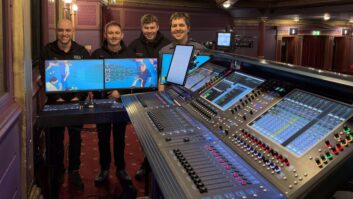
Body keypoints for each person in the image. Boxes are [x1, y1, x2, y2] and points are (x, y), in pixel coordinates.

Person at [40, 19, 89, 194]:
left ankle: (74, 171)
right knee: (56, 140)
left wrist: (78, 97)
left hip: (77, 102)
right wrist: (57, 98)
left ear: (72, 30)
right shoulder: (47, 50)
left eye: (67, 30)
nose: (64, 33)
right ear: (56, 31)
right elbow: (45, 77)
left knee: (76, 138)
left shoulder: (82, 51)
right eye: (61, 30)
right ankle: (58, 171)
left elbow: (85, 78)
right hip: (56, 103)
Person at [91, 21, 134, 186]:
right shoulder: (96, 54)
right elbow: (90, 78)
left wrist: (120, 93)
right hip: (101, 104)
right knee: (102, 138)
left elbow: (133, 80)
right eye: (111, 33)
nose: (114, 36)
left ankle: (121, 169)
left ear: (122, 35)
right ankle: (104, 169)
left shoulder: (129, 54)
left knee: (119, 139)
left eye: (117, 33)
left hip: (121, 104)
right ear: (105, 35)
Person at [128, 13, 170, 181]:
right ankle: (147, 163)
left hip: (163, 95)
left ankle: (162, 165)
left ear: (157, 27)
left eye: (152, 27)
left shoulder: (168, 45)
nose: (149, 31)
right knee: (146, 134)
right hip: (142, 96)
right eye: (146, 28)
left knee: (162, 132)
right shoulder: (134, 45)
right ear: (142, 28)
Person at [159, 12, 205, 90]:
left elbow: (206, 76)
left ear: (188, 28)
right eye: (174, 26)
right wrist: (162, 96)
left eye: (181, 25)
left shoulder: (201, 50)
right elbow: (162, 78)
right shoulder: (163, 51)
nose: (177, 29)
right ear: (170, 29)